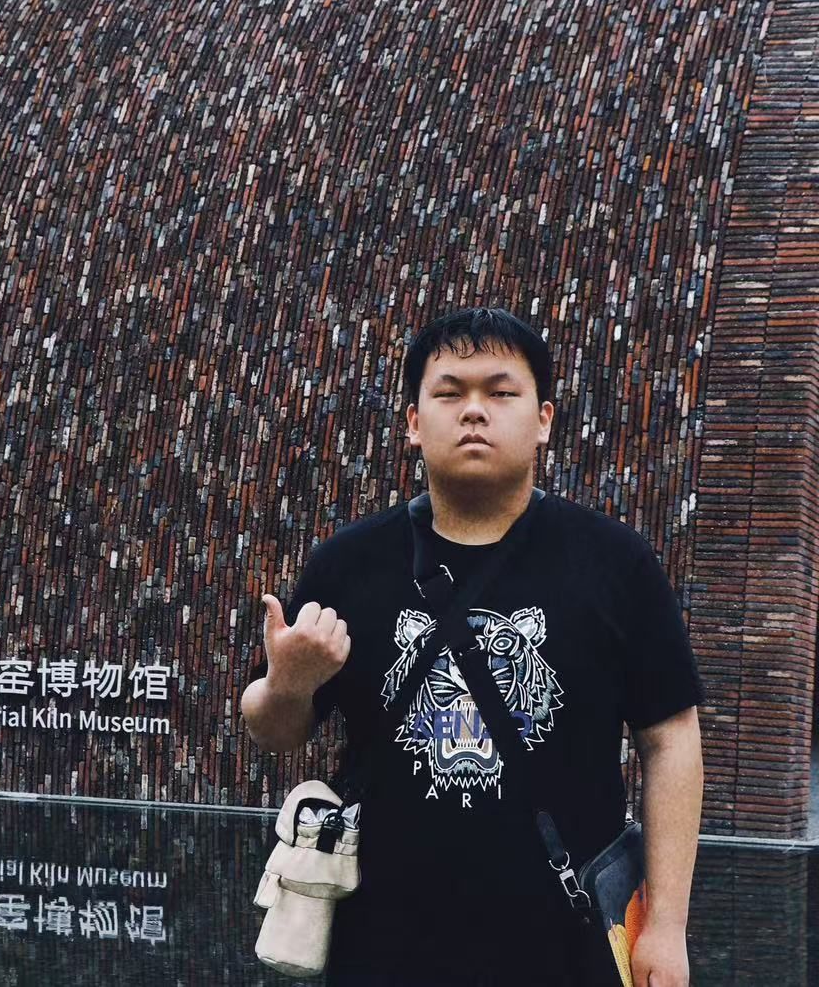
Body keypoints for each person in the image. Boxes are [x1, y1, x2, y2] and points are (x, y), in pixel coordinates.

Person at [240, 306, 704, 987]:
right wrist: (289, 683)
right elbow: (273, 729)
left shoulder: (615, 564)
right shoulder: (348, 564)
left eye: (501, 391)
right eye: (450, 392)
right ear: (413, 422)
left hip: (565, 944)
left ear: (543, 419)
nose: (475, 410)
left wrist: (666, 924)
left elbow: (672, 739)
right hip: (382, 943)